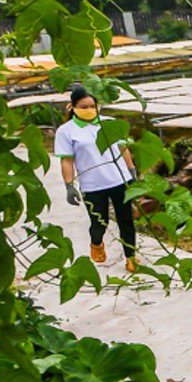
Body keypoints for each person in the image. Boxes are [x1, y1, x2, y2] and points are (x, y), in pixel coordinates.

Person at [54, 84, 140, 273]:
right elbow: (67, 161)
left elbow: (122, 148)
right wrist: (69, 185)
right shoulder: (66, 132)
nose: (89, 110)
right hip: (92, 185)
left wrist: (131, 170)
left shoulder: (109, 123)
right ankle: (96, 243)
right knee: (99, 222)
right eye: (84, 107)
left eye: (92, 106)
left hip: (119, 180)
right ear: (73, 107)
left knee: (126, 220)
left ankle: (131, 257)